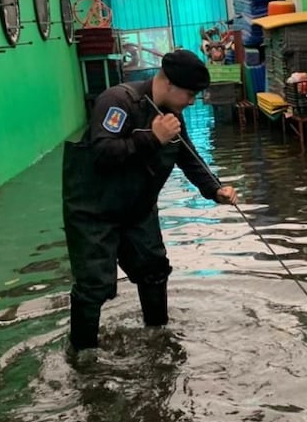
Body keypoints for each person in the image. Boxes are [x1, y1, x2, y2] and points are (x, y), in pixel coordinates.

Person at [62, 50, 238, 352]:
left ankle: (157, 335)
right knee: (94, 287)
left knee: (154, 271)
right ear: (169, 83)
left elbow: (188, 156)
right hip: (94, 213)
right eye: (190, 94)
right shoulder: (116, 102)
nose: (192, 101)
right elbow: (102, 152)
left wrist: (214, 189)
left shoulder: (171, 116)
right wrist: (151, 138)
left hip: (137, 211)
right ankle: (82, 356)